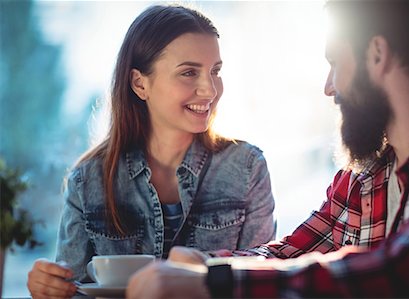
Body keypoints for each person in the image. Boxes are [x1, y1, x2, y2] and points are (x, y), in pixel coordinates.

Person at [126, 0, 409, 298]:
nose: (329, 86)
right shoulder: (362, 179)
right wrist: (202, 265)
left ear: (377, 54)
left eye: (335, 62)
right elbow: (289, 254)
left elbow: (403, 271)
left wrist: (215, 281)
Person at [26, 4, 276, 298]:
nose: (210, 90)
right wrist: (48, 287)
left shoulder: (247, 168)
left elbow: (261, 284)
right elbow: (75, 288)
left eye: (215, 71)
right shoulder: (88, 180)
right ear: (139, 83)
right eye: (189, 73)